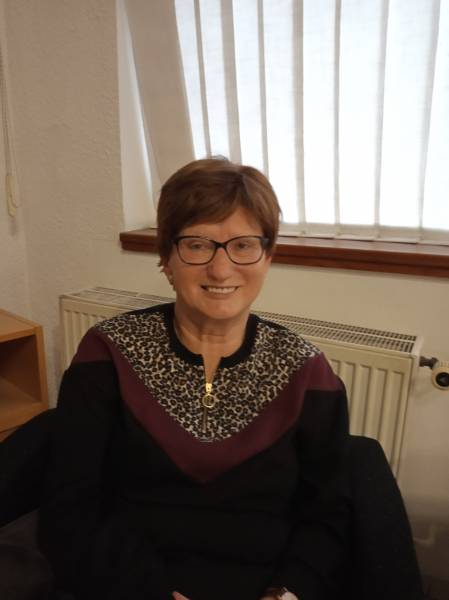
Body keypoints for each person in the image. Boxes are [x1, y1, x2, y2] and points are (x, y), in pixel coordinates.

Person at [37, 157, 351, 600]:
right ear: (166, 258)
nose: (221, 270)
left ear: (268, 256)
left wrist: (287, 593)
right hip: (128, 582)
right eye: (198, 245)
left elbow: (329, 516)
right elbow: (71, 505)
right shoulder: (107, 353)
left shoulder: (307, 371)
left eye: (244, 245)